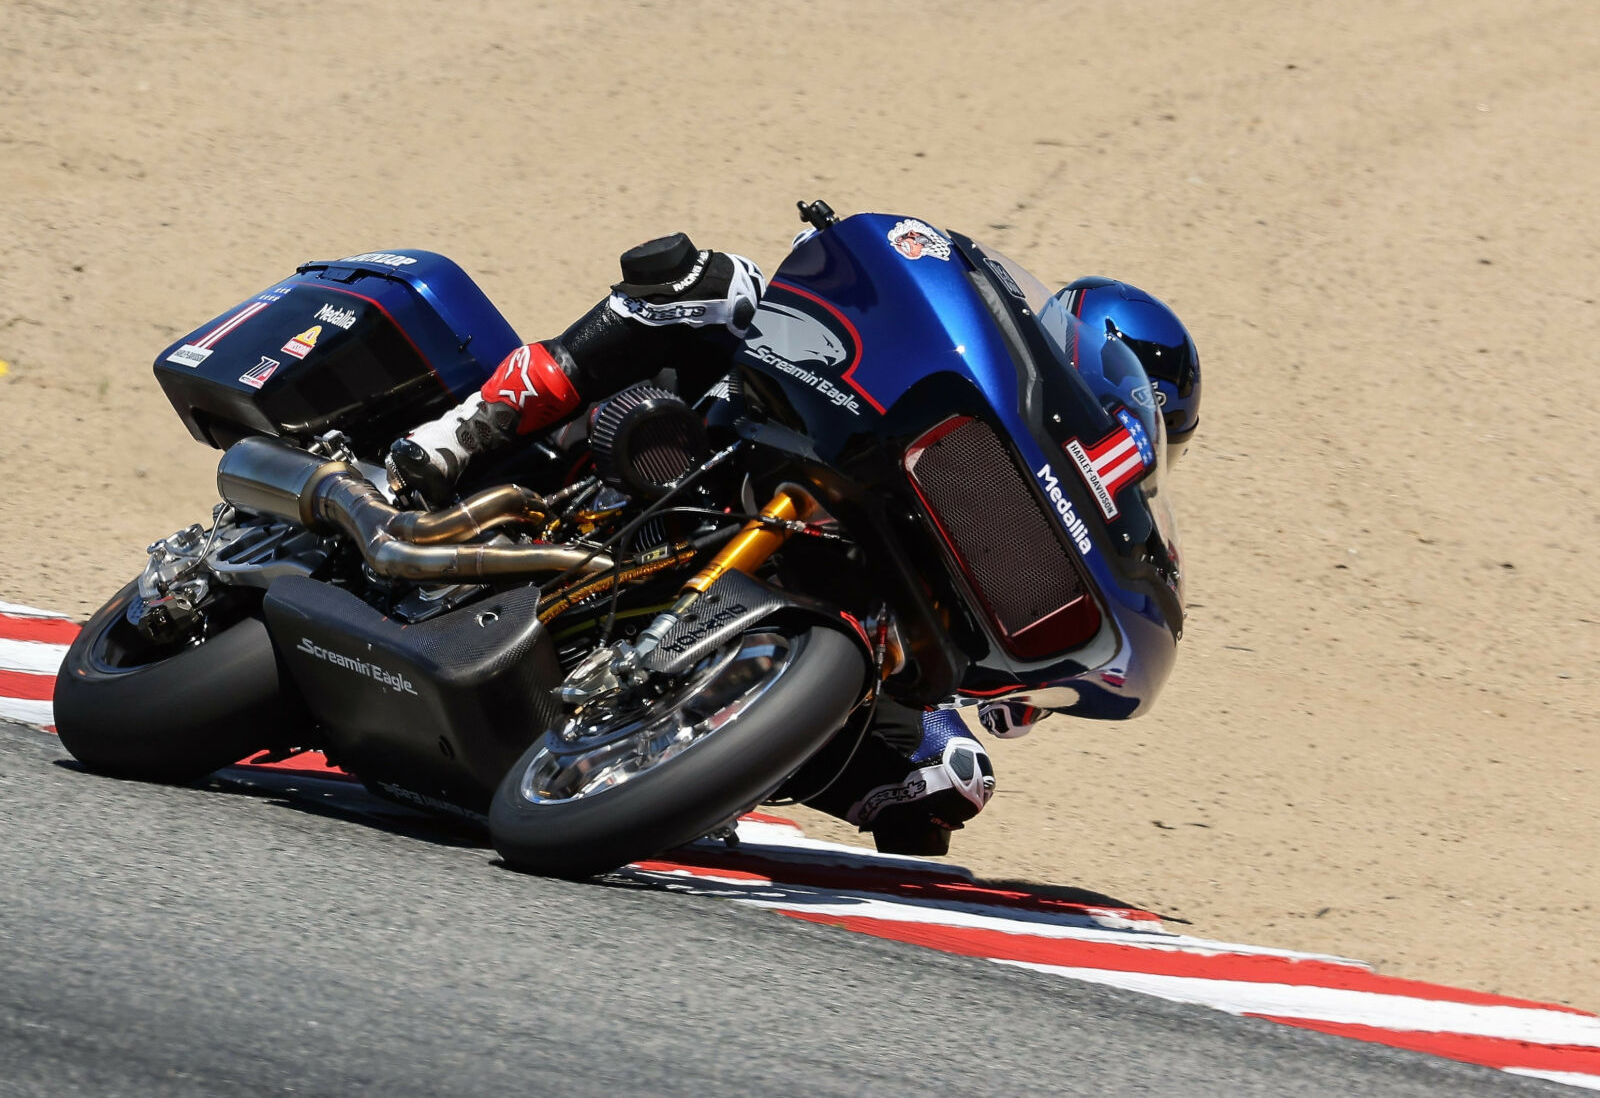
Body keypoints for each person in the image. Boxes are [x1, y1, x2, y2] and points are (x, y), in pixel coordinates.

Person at [386, 231, 1200, 856]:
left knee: (949, 779)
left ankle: (683, 768)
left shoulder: (1057, 506)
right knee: (717, 285)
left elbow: (1009, 713)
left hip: (852, 592)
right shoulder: (987, 362)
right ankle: (468, 432)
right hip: (709, 447)